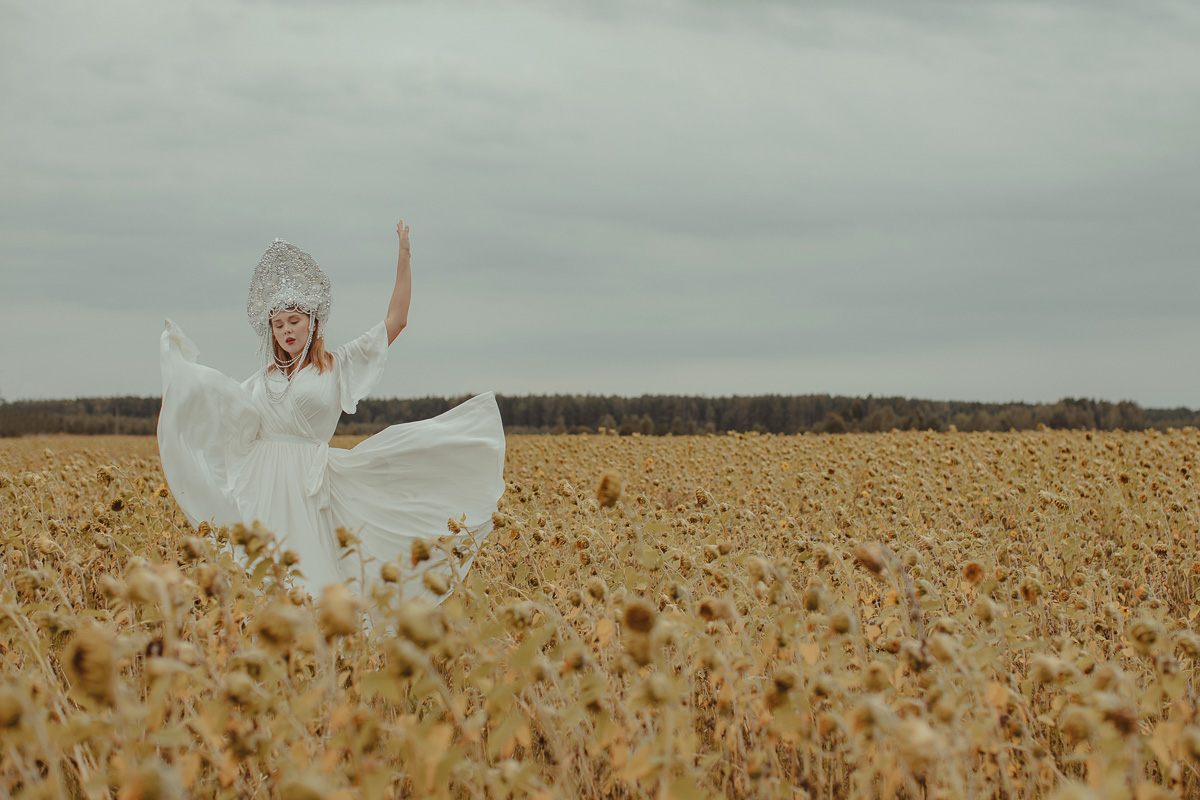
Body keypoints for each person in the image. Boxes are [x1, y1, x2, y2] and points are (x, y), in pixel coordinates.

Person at [157, 221, 505, 602]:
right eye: (278, 324)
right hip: (259, 484)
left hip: (309, 484)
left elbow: (396, 321)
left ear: (313, 322)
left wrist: (404, 258)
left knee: (315, 577)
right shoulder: (260, 381)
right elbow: (222, 407)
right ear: (270, 330)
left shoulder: (338, 365)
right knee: (264, 576)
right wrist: (184, 373)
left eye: (294, 321)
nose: (287, 330)